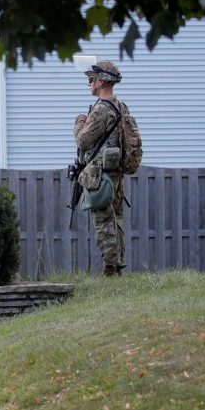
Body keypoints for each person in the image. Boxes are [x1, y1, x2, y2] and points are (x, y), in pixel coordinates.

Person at [73, 60, 126, 277]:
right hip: (114, 172)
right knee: (116, 219)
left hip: (99, 174)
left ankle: (110, 270)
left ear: (101, 81)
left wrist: (79, 121)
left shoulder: (101, 110)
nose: (89, 84)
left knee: (103, 221)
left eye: (90, 79)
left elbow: (83, 141)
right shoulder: (121, 106)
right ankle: (118, 265)